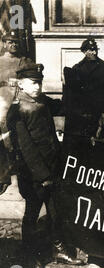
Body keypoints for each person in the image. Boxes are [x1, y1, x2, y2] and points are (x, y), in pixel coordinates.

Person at [7, 63, 85, 268]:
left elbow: (62, 106)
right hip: (32, 174)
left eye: (40, 83)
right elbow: (26, 148)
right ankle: (28, 255)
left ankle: (59, 249)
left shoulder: (41, 102)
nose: (38, 87)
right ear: (21, 85)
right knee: (32, 214)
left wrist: (71, 87)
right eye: (33, 83)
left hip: (52, 168)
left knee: (56, 211)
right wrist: (43, 176)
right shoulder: (17, 111)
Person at [0, 30, 33, 196]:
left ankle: (19, 168)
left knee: (20, 132)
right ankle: (5, 171)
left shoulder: (24, 61)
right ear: (4, 44)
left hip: (20, 99)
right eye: (10, 42)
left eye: (15, 42)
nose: (13, 45)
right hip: (3, 100)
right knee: (4, 133)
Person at [70, 37, 104, 137]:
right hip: (83, 114)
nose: (94, 53)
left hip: (101, 113)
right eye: (90, 50)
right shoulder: (77, 68)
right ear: (84, 51)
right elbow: (73, 94)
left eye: (95, 49)